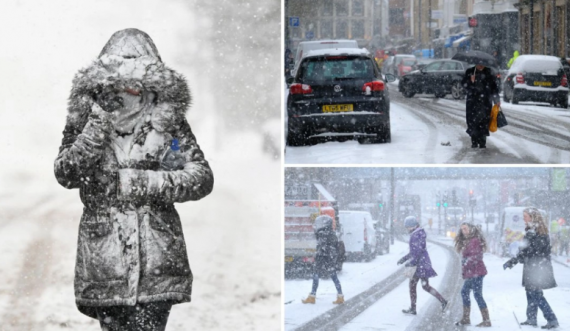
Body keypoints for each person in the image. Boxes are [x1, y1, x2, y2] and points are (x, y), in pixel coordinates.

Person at [54, 28, 214, 330]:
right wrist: (94, 130)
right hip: (105, 261)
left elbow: (200, 177)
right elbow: (66, 173)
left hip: (157, 257)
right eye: (120, 80)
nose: (128, 89)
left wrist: (143, 183)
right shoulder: (87, 119)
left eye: (137, 80)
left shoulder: (167, 124)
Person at [503, 208, 559, 329]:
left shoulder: (539, 233)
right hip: (532, 268)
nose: (524, 219)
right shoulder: (531, 231)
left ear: (533, 218)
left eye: (526, 217)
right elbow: (526, 251)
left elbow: (535, 251)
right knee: (530, 293)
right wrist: (512, 261)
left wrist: (520, 254)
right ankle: (531, 318)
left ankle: (552, 319)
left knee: (536, 294)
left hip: (537, 269)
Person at [398, 216, 448, 315]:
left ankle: (413, 308)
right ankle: (443, 301)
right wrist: (404, 258)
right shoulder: (419, 233)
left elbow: (416, 252)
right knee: (425, 286)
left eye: (408, 227)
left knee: (412, 286)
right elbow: (415, 251)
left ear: (414, 226)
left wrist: (410, 262)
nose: (407, 229)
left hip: (419, 264)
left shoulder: (416, 235)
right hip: (423, 263)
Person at [454, 223, 491, 327]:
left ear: (471, 229)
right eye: (462, 229)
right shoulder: (469, 240)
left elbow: (475, 256)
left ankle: (486, 320)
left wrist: (466, 264)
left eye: (465, 228)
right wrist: (465, 268)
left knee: (477, 294)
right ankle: (466, 318)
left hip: (476, 272)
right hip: (472, 273)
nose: (463, 231)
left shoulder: (474, 240)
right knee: (465, 292)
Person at [302, 215, 344, 304]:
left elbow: (320, 242)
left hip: (322, 256)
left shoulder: (322, 233)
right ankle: (340, 296)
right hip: (330, 257)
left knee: (316, 274)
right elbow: (335, 245)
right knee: (333, 276)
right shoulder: (332, 233)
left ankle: (312, 296)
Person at [461, 61, 500, 148]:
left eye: (482, 64)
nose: (480, 66)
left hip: (485, 102)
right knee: (472, 121)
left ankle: (482, 142)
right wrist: (470, 82)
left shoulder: (489, 72)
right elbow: (464, 85)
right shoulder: (470, 71)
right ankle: (474, 141)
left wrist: (496, 100)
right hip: (472, 102)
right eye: (478, 64)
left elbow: (494, 88)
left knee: (484, 121)